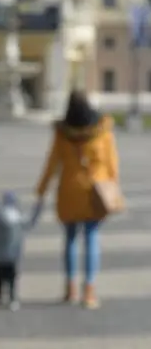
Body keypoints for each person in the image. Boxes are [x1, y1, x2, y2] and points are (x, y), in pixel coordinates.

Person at [34, 90, 120, 309]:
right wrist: (114, 188)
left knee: (70, 239)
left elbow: (52, 164)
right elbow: (112, 164)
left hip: (69, 191)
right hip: (95, 192)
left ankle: (70, 287)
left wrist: (41, 190)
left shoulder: (63, 132)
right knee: (91, 238)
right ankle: (89, 290)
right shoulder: (102, 131)